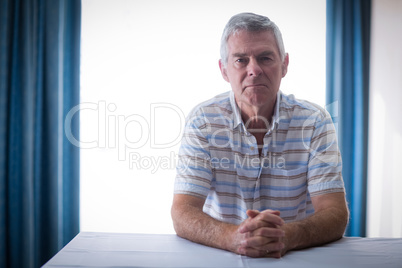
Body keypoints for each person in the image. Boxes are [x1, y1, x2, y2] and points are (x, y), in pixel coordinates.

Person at [171, 12, 349, 258]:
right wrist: (233, 237)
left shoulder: (315, 121)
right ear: (224, 70)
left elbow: (334, 213)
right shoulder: (202, 121)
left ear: (284, 64)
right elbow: (183, 211)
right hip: (220, 258)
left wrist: (286, 235)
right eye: (241, 60)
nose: (254, 70)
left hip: (295, 259)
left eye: (265, 58)